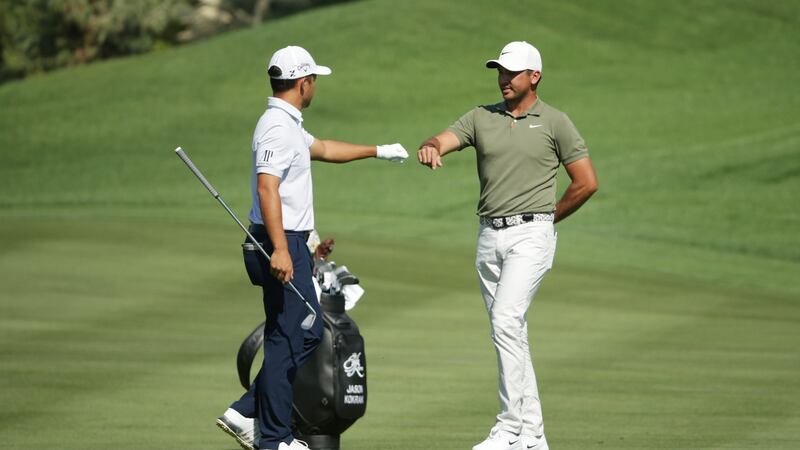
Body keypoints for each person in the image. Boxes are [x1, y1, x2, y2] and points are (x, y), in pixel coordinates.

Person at [215, 45, 408, 450]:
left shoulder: (287, 124)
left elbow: (321, 149)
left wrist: (377, 151)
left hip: (290, 241)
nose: (314, 85)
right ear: (304, 83)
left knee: (289, 335)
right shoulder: (277, 127)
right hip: (279, 242)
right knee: (300, 334)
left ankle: (247, 414)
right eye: (313, 80)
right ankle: (274, 437)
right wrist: (283, 249)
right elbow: (267, 185)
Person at [417, 41, 598, 450]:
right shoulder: (481, 117)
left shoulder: (555, 122)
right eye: (499, 71)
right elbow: (443, 138)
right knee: (511, 330)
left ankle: (509, 427)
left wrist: (548, 218)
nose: (503, 79)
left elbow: (586, 182)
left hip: (531, 235)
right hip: (488, 236)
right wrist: (431, 145)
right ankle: (533, 436)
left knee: (505, 321)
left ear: (534, 76)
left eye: (511, 73)